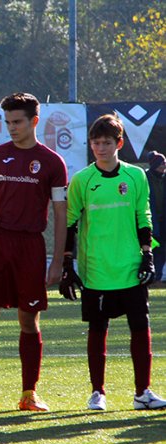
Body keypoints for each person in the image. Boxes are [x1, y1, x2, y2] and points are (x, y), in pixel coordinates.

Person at [0, 92, 68, 413]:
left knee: (28, 319)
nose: (12, 128)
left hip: (30, 247)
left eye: (17, 122)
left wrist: (58, 259)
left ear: (34, 121)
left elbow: (61, 214)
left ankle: (29, 394)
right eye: (7, 122)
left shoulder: (52, 162)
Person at [60, 114, 166, 411]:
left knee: (141, 326)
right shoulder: (82, 180)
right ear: (90, 145)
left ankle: (143, 392)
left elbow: (142, 216)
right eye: (96, 143)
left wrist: (147, 253)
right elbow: (70, 223)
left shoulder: (136, 176)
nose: (101, 148)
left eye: (107, 142)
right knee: (97, 328)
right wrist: (68, 265)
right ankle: (97, 393)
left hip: (131, 266)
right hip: (97, 269)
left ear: (119, 143)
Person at [146, 151, 166, 281]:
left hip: (164, 221)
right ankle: (151, 275)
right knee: (153, 249)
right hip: (150, 220)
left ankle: (158, 276)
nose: (164, 165)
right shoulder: (145, 178)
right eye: (161, 163)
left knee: (163, 250)